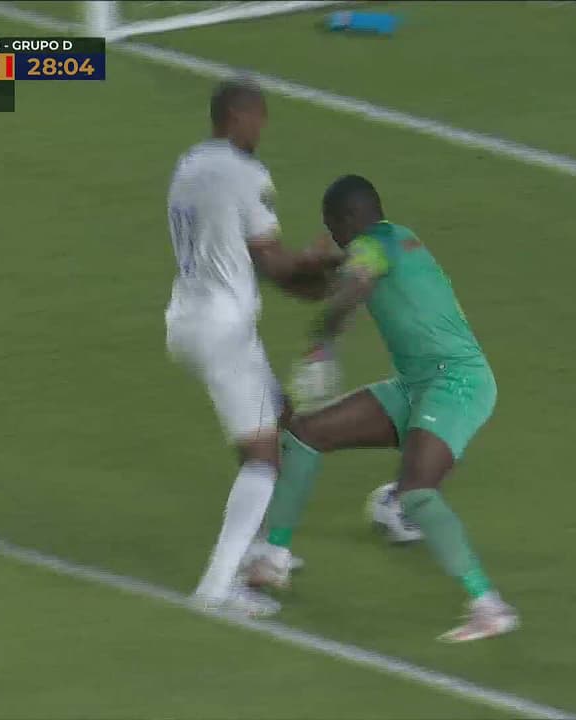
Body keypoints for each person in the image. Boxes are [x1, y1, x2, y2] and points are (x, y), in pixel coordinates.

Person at [246, 174, 519, 642]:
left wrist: (321, 344)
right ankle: (274, 557)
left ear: (351, 218)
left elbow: (353, 286)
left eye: (333, 224)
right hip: (417, 384)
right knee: (307, 434)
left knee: (417, 493)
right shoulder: (392, 240)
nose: (332, 234)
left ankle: (488, 606)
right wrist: (316, 262)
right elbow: (343, 273)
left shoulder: (375, 245)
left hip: (455, 384)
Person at [165, 78, 338, 617]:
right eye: (258, 116)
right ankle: (217, 588)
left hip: (188, 318)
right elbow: (274, 265)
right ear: (237, 116)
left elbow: (244, 257)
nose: (262, 126)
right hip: (225, 329)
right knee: (263, 457)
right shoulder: (246, 173)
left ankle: (260, 548)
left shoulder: (188, 165)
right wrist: (320, 265)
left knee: (280, 418)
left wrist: (311, 274)